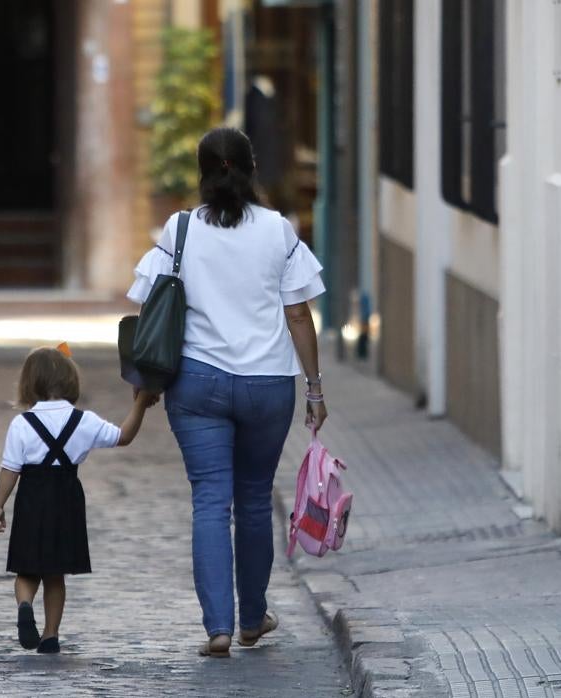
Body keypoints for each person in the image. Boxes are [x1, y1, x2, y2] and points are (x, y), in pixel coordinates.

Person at [128, 127, 327, 658]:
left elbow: (148, 301)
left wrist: (146, 384)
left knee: (211, 501)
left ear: (200, 173)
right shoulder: (278, 231)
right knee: (255, 499)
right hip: (268, 385)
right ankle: (253, 618)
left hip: (197, 383)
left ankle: (218, 627)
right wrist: (314, 387)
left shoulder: (180, 229)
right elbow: (298, 313)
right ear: (252, 168)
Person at [0, 344, 157, 653]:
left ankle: (25, 606)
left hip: (31, 499)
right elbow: (123, 436)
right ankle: (50, 636)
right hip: (66, 500)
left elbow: (10, 469)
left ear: (29, 383)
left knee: (27, 568)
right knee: (55, 574)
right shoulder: (84, 420)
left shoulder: (22, 424)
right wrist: (141, 403)